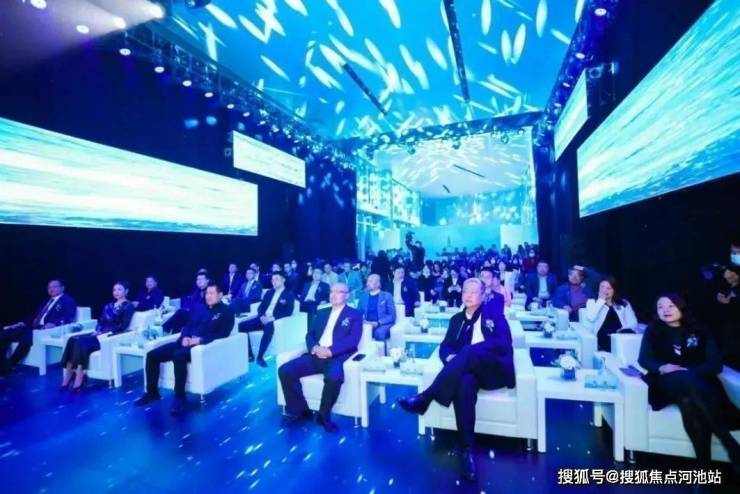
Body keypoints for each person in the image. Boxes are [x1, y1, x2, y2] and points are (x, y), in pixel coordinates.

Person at [398, 278, 514, 481]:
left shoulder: (494, 313)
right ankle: (467, 451)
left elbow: (504, 343)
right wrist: (450, 357)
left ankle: (426, 397)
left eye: (473, 292)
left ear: (482, 295)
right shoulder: (456, 320)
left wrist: (470, 351)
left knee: (468, 351)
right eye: (465, 291)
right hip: (467, 371)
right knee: (464, 384)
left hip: (492, 369)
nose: (468, 295)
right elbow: (444, 347)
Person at [638, 293, 740, 469]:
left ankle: (703, 470)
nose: (665, 310)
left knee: (688, 402)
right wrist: (663, 367)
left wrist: (689, 371)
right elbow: (644, 360)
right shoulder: (653, 331)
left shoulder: (700, 331)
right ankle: (730, 444)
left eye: (670, 306)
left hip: (699, 382)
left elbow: (715, 365)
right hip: (665, 382)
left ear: (681, 307)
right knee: (683, 381)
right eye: (660, 307)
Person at [134, 282, 234, 414]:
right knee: (152, 355)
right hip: (184, 342)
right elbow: (187, 326)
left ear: (220, 295)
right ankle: (152, 393)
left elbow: (223, 334)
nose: (208, 296)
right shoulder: (201, 309)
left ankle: (179, 397)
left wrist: (200, 340)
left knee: (178, 355)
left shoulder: (226, 312)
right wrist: (185, 337)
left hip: (201, 347)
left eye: (212, 293)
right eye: (207, 293)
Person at [278, 283, 362, 432]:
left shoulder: (354, 314)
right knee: (285, 370)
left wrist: (330, 351)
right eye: (331, 291)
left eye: (338, 292)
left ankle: (323, 416)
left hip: (336, 357)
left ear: (347, 295)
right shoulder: (322, 312)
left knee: (334, 378)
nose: (333, 295)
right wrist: (314, 348)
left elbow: (353, 340)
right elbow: (310, 334)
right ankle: (299, 409)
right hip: (315, 354)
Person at [60, 281, 134, 391]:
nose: (116, 292)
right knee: (72, 340)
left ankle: (80, 374)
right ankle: (69, 373)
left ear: (126, 291)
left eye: (119, 289)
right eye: (114, 290)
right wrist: (97, 330)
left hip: (109, 335)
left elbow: (123, 326)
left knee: (81, 342)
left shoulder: (128, 306)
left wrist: (104, 332)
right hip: (99, 333)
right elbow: (100, 321)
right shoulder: (108, 306)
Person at [1, 279, 77, 375]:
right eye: (49, 287)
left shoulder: (67, 300)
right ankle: (2, 363)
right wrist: (22, 323)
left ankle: (9, 366)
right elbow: (35, 316)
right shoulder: (45, 301)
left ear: (62, 288)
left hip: (44, 330)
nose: (51, 289)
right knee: (4, 334)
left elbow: (69, 316)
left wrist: (55, 324)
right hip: (31, 327)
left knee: (27, 339)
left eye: (54, 287)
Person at [239, 272, 295, 367]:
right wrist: (261, 316)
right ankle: (249, 354)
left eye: (276, 279)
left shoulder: (288, 294)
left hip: (274, 320)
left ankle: (260, 357)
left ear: (283, 280)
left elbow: (288, 312)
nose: (274, 282)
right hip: (263, 318)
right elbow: (261, 307)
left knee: (269, 327)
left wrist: (272, 318)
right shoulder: (269, 293)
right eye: (272, 280)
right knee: (241, 326)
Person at [583, 277, 638, 351]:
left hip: (621, 335)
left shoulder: (623, 303)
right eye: (602, 287)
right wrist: (601, 301)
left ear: (614, 290)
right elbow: (591, 317)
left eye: (608, 288)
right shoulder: (592, 302)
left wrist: (621, 331)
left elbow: (633, 322)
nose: (604, 290)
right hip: (603, 336)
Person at [163, 270, 209, 334]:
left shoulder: (210, 291)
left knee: (180, 312)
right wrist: (188, 309)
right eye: (197, 279)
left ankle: (164, 329)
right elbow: (191, 303)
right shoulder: (196, 292)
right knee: (179, 318)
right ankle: (173, 334)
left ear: (207, 280)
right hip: (194, 314)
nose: (199, 281)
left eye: (201, 279)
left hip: (203, 317)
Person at [357, 274, 396, 346]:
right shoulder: (363, 296)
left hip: (383, 324)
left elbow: (392, 316)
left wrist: (378, 323)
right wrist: (362, 320)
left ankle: (382, 352)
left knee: (379, 333)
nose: (367, 283)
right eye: (367, 281)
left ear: (378, 283)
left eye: (370, 281)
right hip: (367, 324)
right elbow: (357, 313)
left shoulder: (387, 296)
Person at [713, 266, 739, 369]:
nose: (730, 279)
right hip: (732, 325)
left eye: (732, 276)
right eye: (727, 278)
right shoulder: (724, 289)